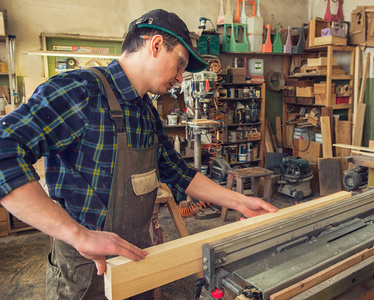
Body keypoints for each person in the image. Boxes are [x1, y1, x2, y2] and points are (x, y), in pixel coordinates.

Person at [0, 9, 278, 299]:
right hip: (84, 269)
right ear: (155, 45)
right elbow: (3, 151)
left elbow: (178, 172)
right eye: (180, 64)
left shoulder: (146, 110)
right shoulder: (80, 90)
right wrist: (77, 234)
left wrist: (241, 201)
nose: (181, 78)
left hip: (135, 258)